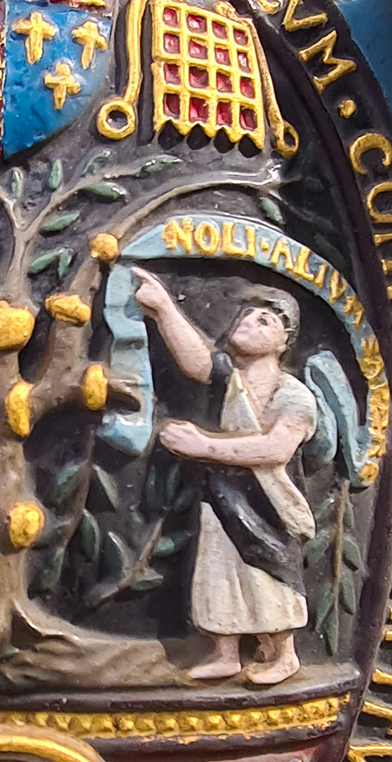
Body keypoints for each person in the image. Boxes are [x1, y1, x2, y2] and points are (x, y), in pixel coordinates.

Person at [132, 272, 318, 685]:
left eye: (264, 321)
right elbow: (197, 360)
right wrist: (163, 307)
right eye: (245, 316)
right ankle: (225, 651)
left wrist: (203, 446)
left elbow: (274, 451)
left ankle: (284, 653)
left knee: (266, 573)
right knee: (218, 572)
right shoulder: (229, 380)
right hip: (220, 495)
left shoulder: (293, 395)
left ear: (284, 341)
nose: (247, 323)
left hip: (268, 503)